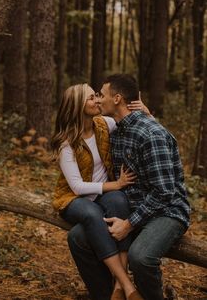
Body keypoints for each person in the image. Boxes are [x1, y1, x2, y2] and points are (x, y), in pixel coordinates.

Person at [67, 74, 190, 300]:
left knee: (140, 257)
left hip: (167, 211)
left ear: (117, 99)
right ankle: (110, 295)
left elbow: (164, 192)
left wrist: (129, 224)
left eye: (101, 95)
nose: (97, 99)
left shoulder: (151, 135)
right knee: (78, 238)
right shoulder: (115, 128)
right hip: (132, 207)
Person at [51, 83, 146, 300]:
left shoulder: (104, 124)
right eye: (91, 98)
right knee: (92, 213)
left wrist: (145, 112)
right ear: (77, 106)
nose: (97, 100)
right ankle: (126, 284)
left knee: (120, 201)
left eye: (96, 95)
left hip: (103, 196)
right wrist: (117, 184)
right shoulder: (67, 143)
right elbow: (77, 186)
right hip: (74, 199)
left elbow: (130, 122)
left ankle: (117, 290)